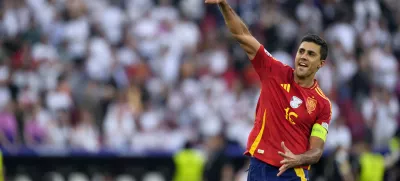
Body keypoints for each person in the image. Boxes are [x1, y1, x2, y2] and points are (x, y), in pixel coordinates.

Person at [205, 0, 332, 180]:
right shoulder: (275, 72)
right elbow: (242, 34)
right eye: (301, 51)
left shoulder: (322, 104)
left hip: (290, 173)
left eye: (311, 54)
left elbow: (316, 151)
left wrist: (299, 158)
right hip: (258, 166)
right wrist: (224, 5)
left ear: (321, 64)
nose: (303, 57)